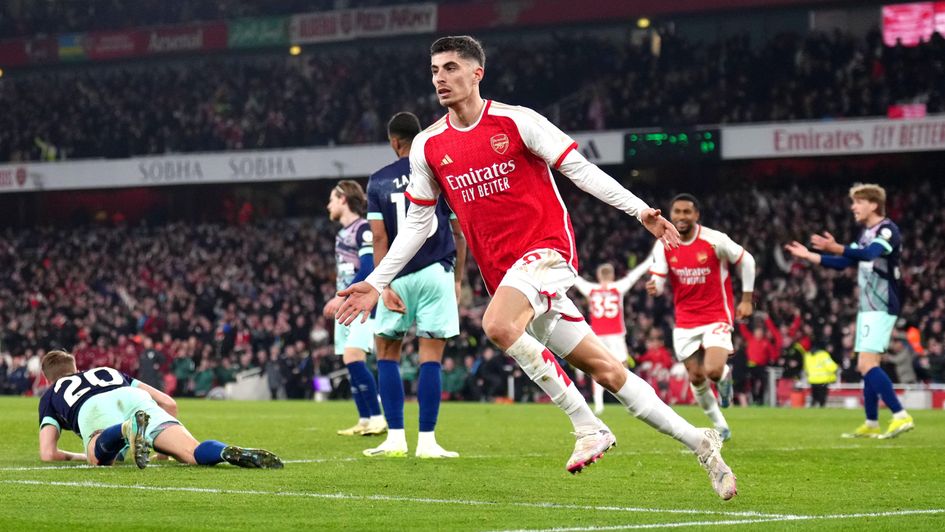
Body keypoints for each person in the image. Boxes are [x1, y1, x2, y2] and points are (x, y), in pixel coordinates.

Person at [336, 35, 736, 499]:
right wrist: (374, 280)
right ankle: (700, 442)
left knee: (498, 325)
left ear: (476, 73)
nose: (440, 78)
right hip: (507, 276)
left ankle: (587, 425)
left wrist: (638, 209)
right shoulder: (428, 145)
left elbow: (579, 169)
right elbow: (417, 227)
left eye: (450, 68)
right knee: (607, 370)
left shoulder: (517, 120)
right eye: (434, 70)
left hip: (547, 252)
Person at [362, 112, 467, 458]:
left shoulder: (377, 181)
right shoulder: (438, 173)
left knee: (387, 352)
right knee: (431, 355)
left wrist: (382, 284)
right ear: (419, 138)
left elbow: (379, 238)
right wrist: (458, 280)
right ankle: (428, 442)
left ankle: (394, 438)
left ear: (394, 142)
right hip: (437, 269)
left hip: (398, 274)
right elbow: (458, 230)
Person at [785, 183, 914, 439]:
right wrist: (810, 255)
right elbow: (845, 261)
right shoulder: (866, 232)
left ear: (873, 204)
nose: (853, 207)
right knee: (867, 364)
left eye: (858, 201)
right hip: (868, 307)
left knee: (866, 365)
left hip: (881, 304)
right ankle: (871, 422)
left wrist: (838, 247)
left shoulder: (887, 230)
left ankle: (900, 415)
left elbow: (868, 254)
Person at [37, 350, 282, 469]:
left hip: (92, 407)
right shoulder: (108, 371)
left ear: (48, 379)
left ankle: (124, 430)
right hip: (132, 396)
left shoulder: (51, 394)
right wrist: (163, 451)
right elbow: (168, 402)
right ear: (77, 368)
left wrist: (80, 455)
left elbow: (48, 453)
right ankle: (224, 451)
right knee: (192, 452)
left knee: (98, 455)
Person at [646, 193, 756, 441]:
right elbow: (660, 278)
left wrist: (747, 299)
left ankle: (724, 379)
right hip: (685, 320)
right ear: (670, 215)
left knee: (714, 370)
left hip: (716, 315)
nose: (681, 217)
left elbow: (747, 260)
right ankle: (721, 426)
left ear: (696, 215)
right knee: (696, 377)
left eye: (687, 212)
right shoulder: (663, 243)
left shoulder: (715, 240)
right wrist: (655, 286)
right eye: (677, 212)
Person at [323, 180, 387, 436]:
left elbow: (368, 267)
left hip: (360, 306)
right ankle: (364, 419)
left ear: (342, 199)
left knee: (354, 358)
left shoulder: (363, 230)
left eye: (331, 199)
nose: (328, 205)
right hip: (347, 306)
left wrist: (343, 297)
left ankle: (377, 418)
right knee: (350, 362)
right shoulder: (342, 234)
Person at [573, 259, 650, 414]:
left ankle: (599, 404)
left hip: (598, 335)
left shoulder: (591, 289)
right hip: (615, 334)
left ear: (598, 275)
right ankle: (631, 403)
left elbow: (575, 278)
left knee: (598, 366)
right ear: (612, 275)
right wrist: (649, 261)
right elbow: (634, 275)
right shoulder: (618, 287)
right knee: (623, 367)